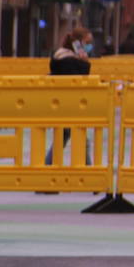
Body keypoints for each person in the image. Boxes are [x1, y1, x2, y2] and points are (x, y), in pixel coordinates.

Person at [45, 26, 93, 171]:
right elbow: (78, 79)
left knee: (63, 137)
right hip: (70, 104)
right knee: (78, 137)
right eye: (87, 42)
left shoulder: (59, 56)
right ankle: (89, 172)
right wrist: (85, 62)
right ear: (78, 43)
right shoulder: (68, 60)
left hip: (60, 103)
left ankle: (47, 167)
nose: (88, 46)